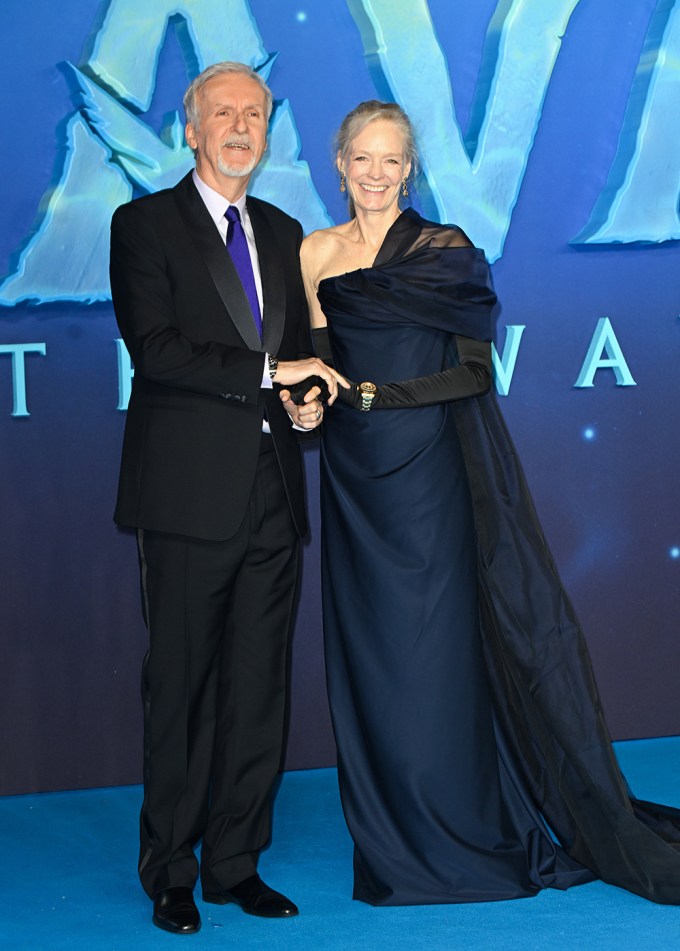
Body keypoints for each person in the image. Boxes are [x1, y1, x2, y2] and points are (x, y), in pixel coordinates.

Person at [300, 100, 680, 907]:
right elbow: (320, 367)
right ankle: (393, 839)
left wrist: (374, 393)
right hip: (354, 479)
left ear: (412, 168)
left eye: (392, 160)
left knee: (435, 658)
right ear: (339, 162)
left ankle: (468, 827)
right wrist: (310, 401)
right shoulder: (312, 253)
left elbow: (472, 374)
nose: (376, 174)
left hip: (430, 475)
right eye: (362, 158)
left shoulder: (446, 252)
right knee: (374, 660)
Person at [110, 62, 345, 935]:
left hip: (274, 497)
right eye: (223, 114)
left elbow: (291, 360)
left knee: (258, 686)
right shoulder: (142, 225)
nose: (240, 126)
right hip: (184, 499)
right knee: (181, 688)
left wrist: (304, 397)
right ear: (191, 128)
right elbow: (158, 351)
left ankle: (235, 862)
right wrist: (271, 371)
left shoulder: (284, 231)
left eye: (255, 112)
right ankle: (170, 869)